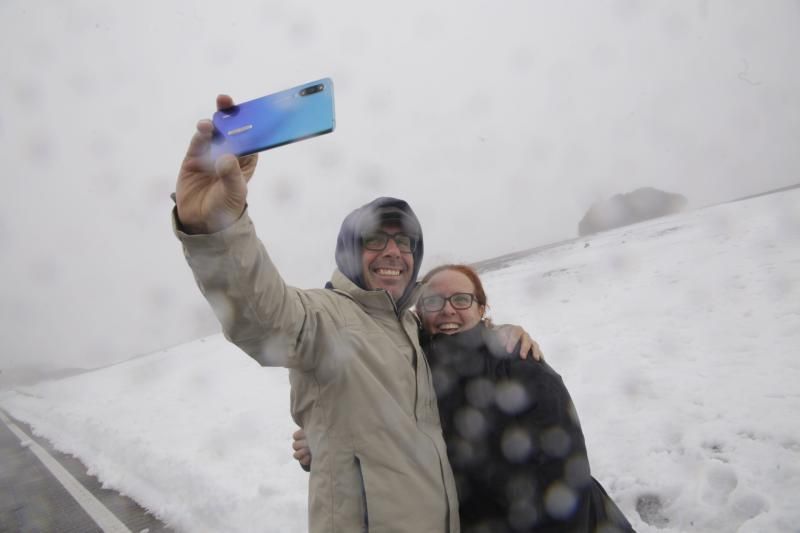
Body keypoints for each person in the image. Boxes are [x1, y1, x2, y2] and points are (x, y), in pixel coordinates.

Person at [172, 95, 540, 533]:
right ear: (350, 252)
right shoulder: (328, 319)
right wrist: (216, 228)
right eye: (374, 241)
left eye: (404, 243)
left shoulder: (408, 325)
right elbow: (262, 314)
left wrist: (498, 332)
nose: (393, 253)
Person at [294, 265, 634, 533]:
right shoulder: (410, 370)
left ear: (482, 308)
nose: (447, 311)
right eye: (433, 301)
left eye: (461, 299)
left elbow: (566, 487)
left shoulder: (523, 368)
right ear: (418, 313)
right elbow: (376, 426)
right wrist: (326, 439)